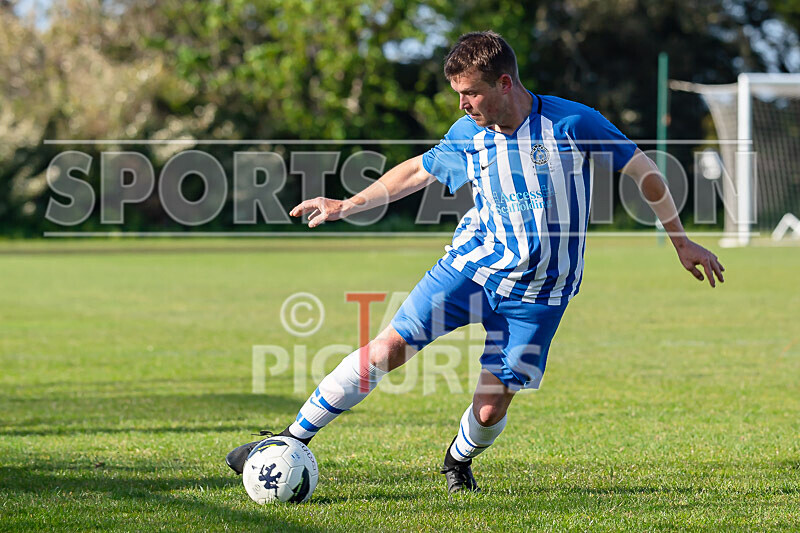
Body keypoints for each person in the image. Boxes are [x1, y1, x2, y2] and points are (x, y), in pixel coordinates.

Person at [225, 31, 725, 493]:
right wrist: (347, 205)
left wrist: (680, 240)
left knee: (489, 409)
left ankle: (457, 460)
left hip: (540, 294)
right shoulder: (470, 132)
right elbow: (417, 172)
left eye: (471, 93)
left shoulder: (572, 123)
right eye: (458, 95)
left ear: (504, 83)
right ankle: (289, 439)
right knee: (387, 350)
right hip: (471, 268)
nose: (463, 105)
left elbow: (642, 169)